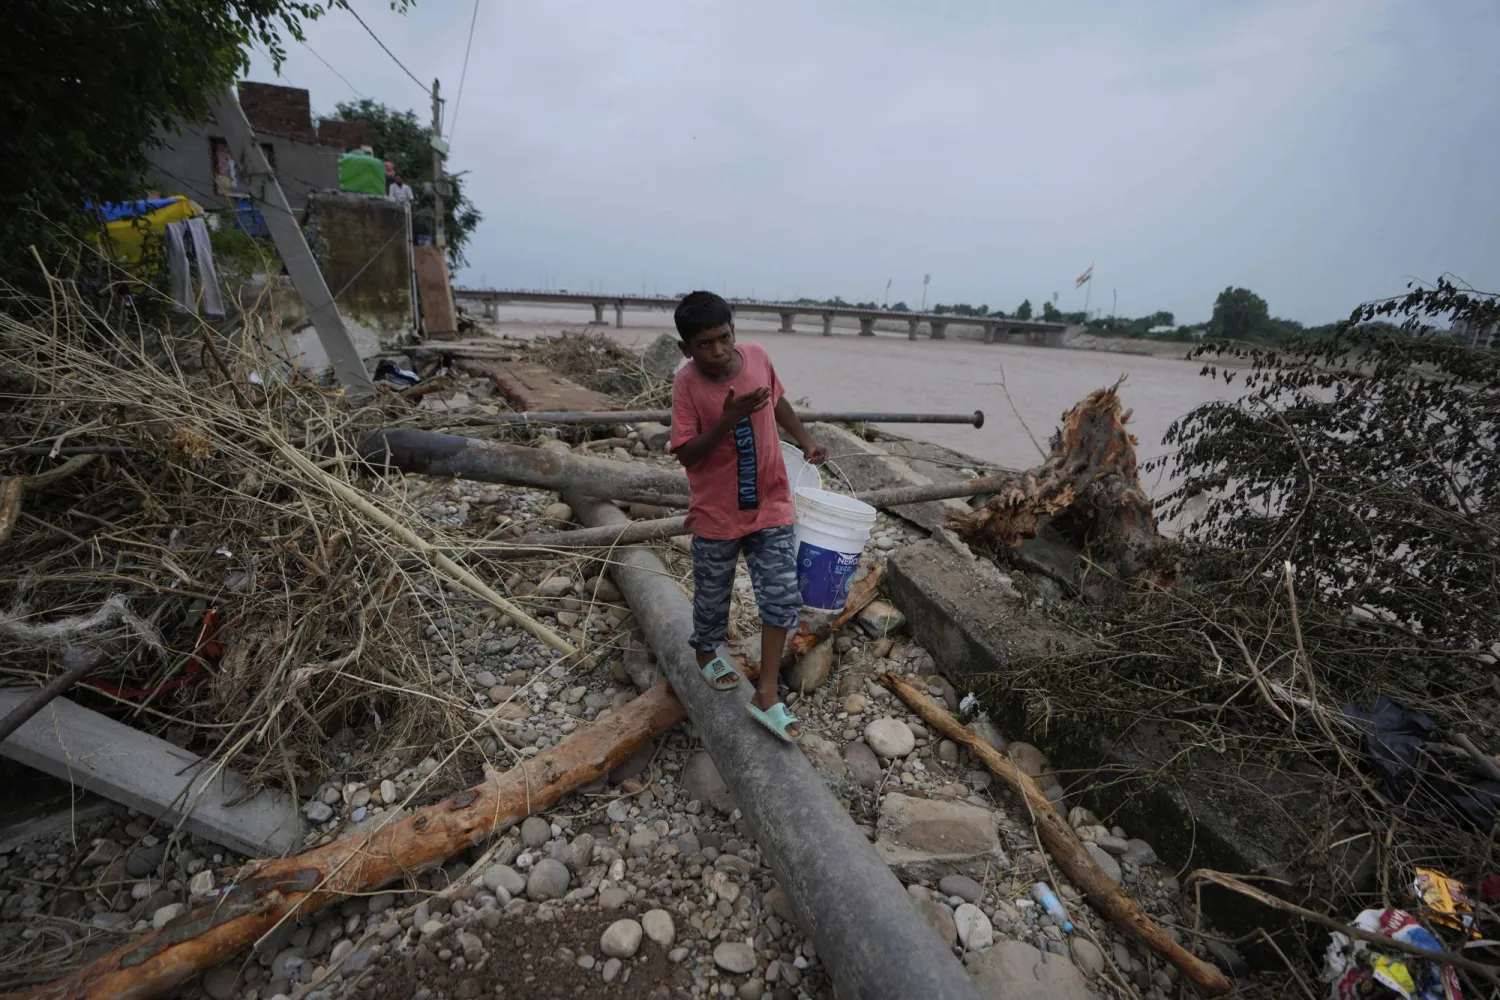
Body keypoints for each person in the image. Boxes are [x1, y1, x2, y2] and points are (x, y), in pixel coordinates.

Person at [669, 291, 828, 742]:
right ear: (686, 348)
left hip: (770, 504)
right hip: (717, 515)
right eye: (705, 344)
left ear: (734, 331)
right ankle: (705, 652)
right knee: (712, 598)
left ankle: (767, 692)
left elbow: (777, 401)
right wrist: (728, 418)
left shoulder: (757, 356)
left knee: (781, 596)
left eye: (724, 338)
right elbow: (687, 454)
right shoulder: (687, 384)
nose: (718, 351)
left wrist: (805, 439)